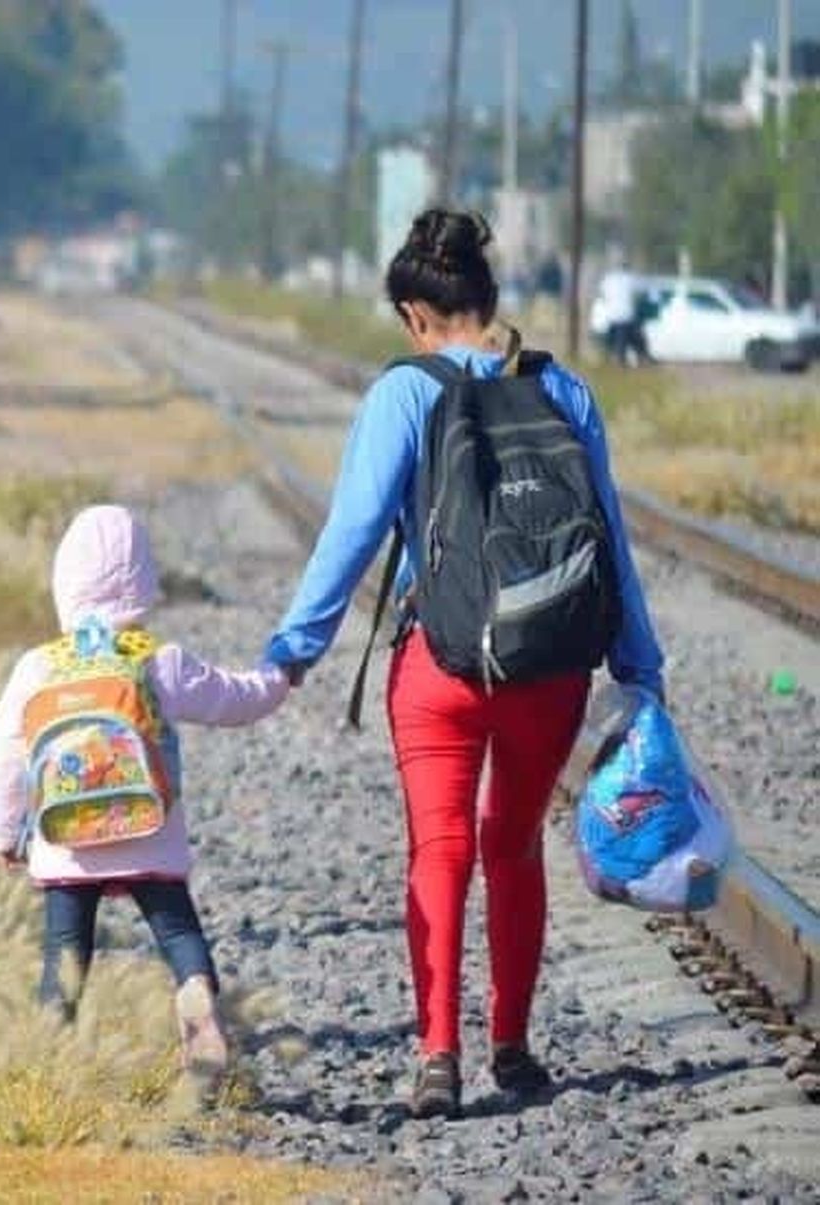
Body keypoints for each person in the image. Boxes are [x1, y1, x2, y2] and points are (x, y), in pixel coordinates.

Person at [264, 210, 665, 1119]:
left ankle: (437, 1054)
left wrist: (292, 650)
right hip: (550, 666)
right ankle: (513, 1046)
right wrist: (639, 662)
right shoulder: (566, 391)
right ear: (489, 300)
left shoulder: (403, 393)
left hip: (440, 667)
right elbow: (612, 540)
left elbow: (353, 535)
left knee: (439, 849)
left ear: (414, 314)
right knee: (514, 846)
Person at [0, 505, 289, 1090]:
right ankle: (196, 993)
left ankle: (51, 1062)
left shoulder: (37, 667)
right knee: (177, 933)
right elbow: (237, 700)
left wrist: (5, 834)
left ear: (63, 584)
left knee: (65, 952)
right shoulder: (157, 660)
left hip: (66, 843)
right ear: (146, 582)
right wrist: (280, 676)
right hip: (149, 831)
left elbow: (3, 754)